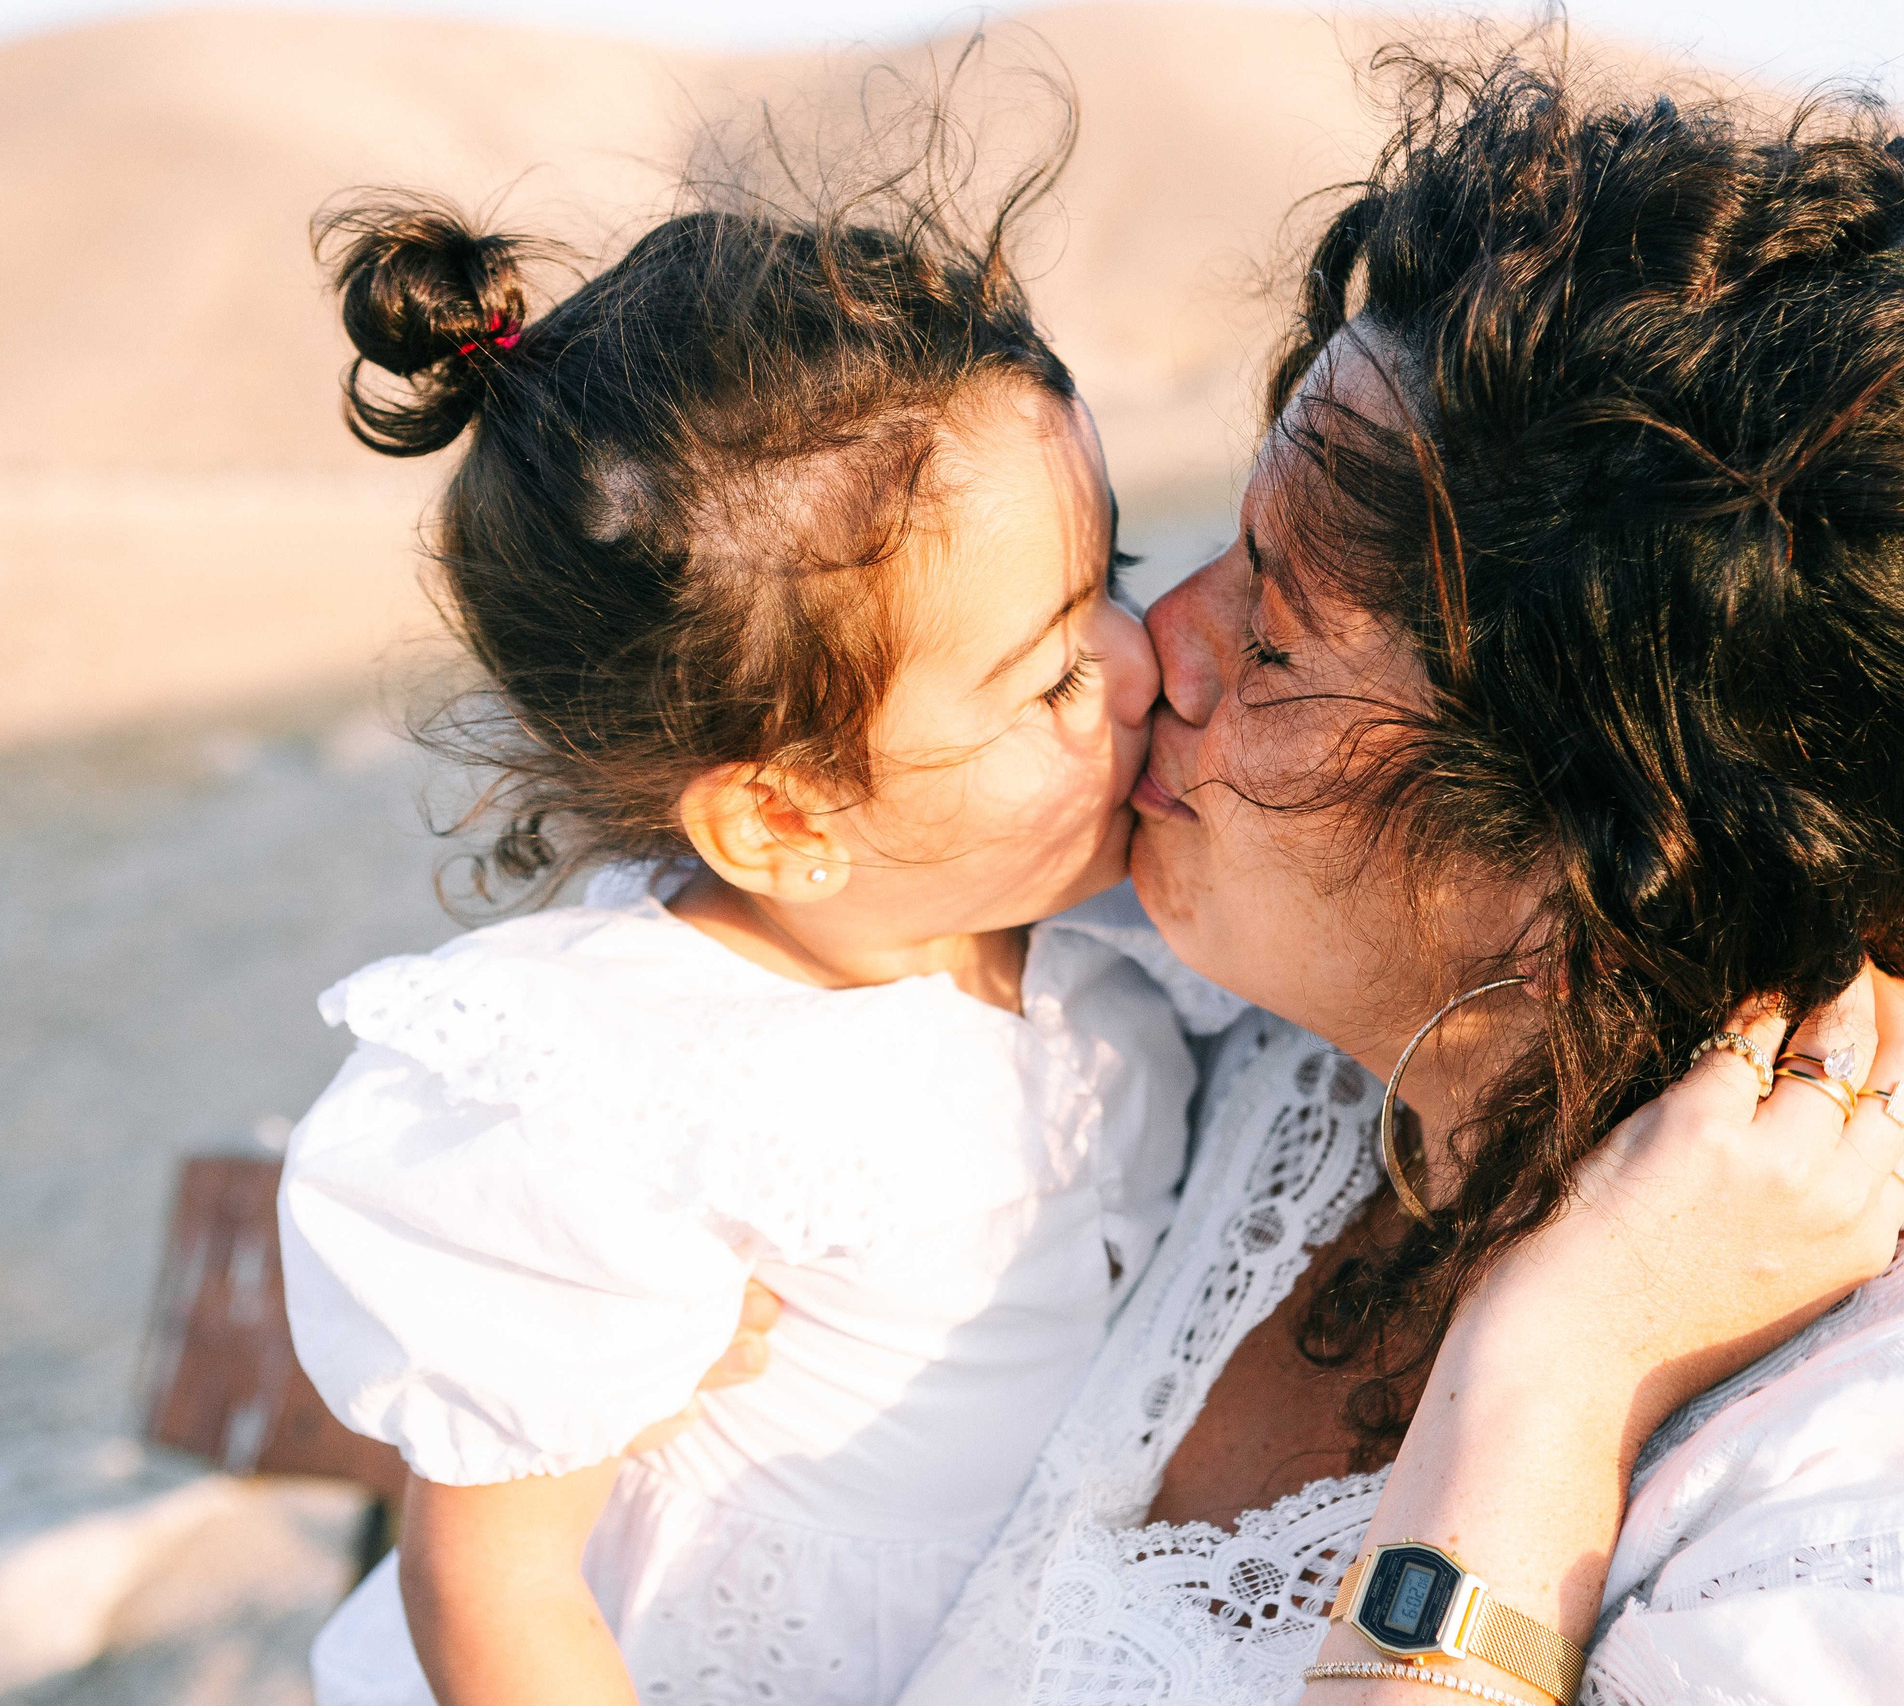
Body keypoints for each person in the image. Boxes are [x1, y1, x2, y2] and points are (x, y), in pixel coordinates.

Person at [897, 52, 1904, 1706]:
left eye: (1277, 630)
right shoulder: (1205, 1086)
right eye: (1223, 541)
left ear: (1599, 851)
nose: (1163, 644)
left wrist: (1562, 1368)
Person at [276, 178, 1240, 1706]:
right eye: (1049, 673)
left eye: (1111, 579)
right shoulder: (634, 1085)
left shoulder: (1106, 930)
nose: (1140, 661)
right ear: (787, 822)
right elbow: (497, 1587)